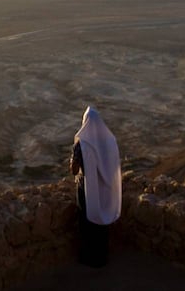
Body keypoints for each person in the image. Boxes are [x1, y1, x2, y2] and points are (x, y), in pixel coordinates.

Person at [70, 105, 122, 267]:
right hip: (105, 188)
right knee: (102, 221)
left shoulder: (82, 145)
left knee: (87, 222)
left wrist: (73, 161)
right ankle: (102, 256)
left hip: (86, 189)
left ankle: (89, 257)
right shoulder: (110, 142)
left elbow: (74, 170)